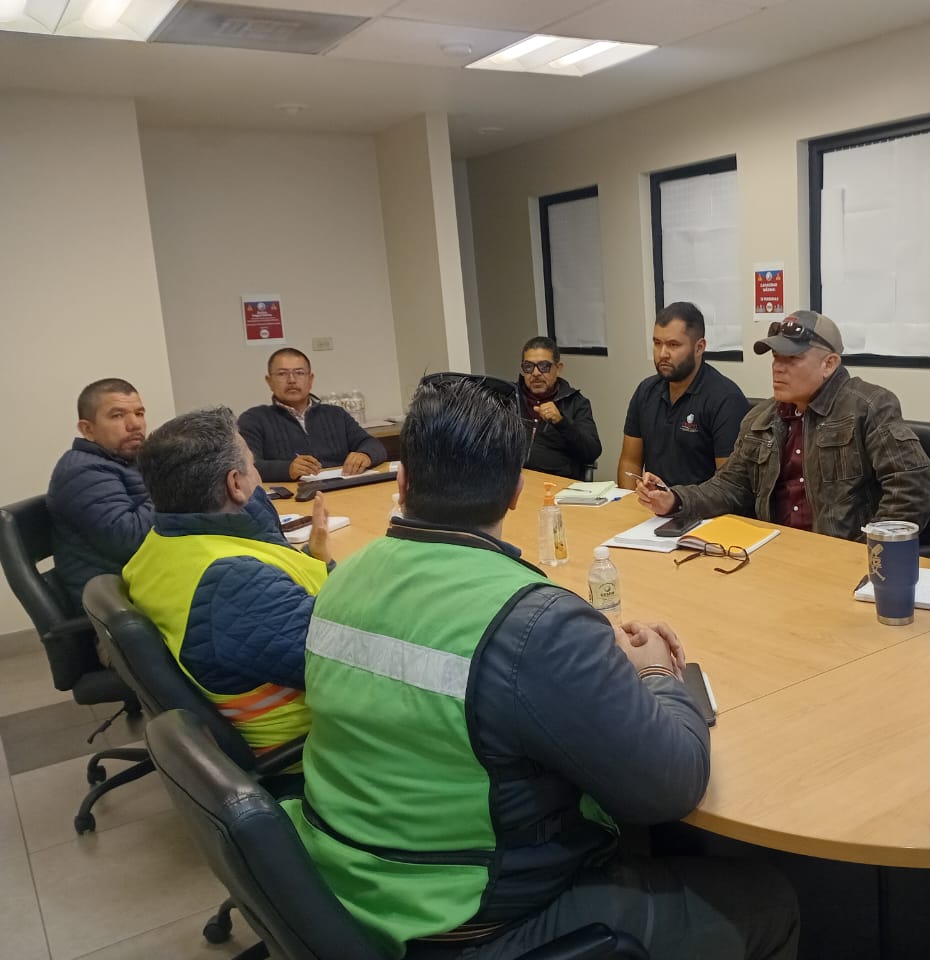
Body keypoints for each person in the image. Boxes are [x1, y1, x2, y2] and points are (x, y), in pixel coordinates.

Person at [283, 373, 799, 960]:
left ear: (402, 482)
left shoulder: (341, 575)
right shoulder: (532, 624)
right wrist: (656, 672)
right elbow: (673, 786)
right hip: (468, 920)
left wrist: (576, 643)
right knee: (769, 900)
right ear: (516, 491)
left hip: (337, 886)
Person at [123, 407, 329, 758]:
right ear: (235, 484)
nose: (258, 475)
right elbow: (354, 666)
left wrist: (317, 560)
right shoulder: (236, 581)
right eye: (253, 465)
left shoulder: (159, 544)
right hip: (315, 746)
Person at [636, 311, 930, 540]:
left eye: (791, 359)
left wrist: (874, 551)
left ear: (829, 364)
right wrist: (675, 499)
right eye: (776, 358)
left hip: (840, 556)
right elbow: (730, 486)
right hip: (775, 553)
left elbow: (912, 487)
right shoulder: (760, 418)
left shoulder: (869, 407)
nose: (778, 368)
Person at [47, 378, 154, 614]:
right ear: (88, 429)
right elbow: (130, 539)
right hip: (117, 610)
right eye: (117, 415)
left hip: (144, 587)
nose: (135, 424)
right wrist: (174, 486)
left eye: (139, 413)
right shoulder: (82, 472)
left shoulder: (127, 461)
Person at [617, 302, 751, 489]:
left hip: (701, 506)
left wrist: (676, 501)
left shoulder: (726, 399)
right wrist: (629, 501)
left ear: (699, 347)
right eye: (657, 343)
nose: (662, 354)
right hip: (652, 504)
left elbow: (729, 486)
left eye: (673, 345)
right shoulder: (645, 391)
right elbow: (630, 462)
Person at [238, 347, 387, 482]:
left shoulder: (335, 414)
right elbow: (246, 465)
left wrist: (365, 455)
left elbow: (373, 444)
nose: (292, 380)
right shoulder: (253, 419)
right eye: (282, 374)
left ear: (310, 379)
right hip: (294, 494)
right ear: (269, 381)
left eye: (299, 373)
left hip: (341, 487)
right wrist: (287, 469)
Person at [518, 336, 602, 480]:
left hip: (558, 481)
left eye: (544, 366)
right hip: (514, 480)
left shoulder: (576, 403)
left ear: (558, 368)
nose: (536, 373)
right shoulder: (510, 399)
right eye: (528, 367)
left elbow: (592, 452)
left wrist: (561, 422)